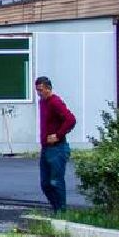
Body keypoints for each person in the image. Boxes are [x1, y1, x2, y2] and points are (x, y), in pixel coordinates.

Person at [35, 75, 77, 214]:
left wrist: (58, 135)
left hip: (57, 148)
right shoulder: (43, 103)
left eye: (41, 90)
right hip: (46, 148)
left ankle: (61, 211)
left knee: (56, 181)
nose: (39, 94)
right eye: (37, 91)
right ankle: (56, 208)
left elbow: (70, 119)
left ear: (48, 88)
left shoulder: (55, 102)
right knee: (45, 183)